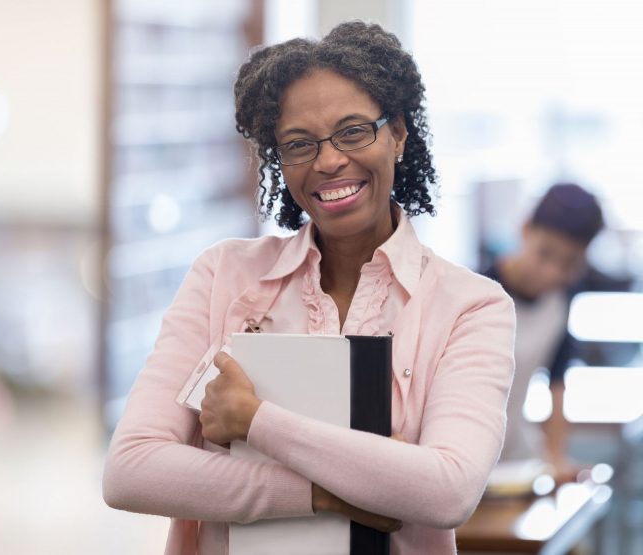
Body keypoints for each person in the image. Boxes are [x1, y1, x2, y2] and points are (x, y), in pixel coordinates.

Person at [102, 21, 516, 554]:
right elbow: (132, 469)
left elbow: (447, 490)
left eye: (353, 132)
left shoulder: (471, 307)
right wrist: (326, 493)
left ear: (398, 134)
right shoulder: (223, 276)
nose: (327, 161)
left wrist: (255, 421)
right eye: (299, 144)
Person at [482, 183, 604, 482]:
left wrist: (556, 458)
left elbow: (558, 379)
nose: (553, 272)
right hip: (470, 458)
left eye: (570, 263)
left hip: (519, 458)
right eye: (545, 254)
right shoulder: (477, 290)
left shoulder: (562, 298)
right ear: (525, 230)